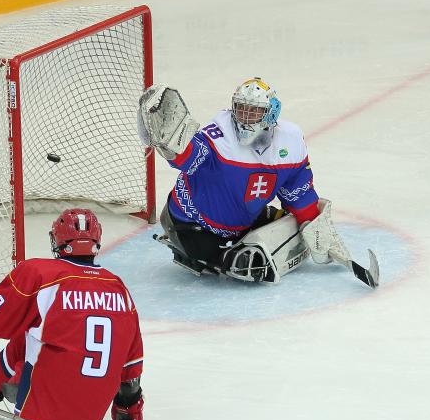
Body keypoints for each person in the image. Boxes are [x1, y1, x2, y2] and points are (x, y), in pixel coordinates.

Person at [0, 208, 144, 420]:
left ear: (57, 240)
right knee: (44, 330)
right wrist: (127, 410)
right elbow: (131, 364)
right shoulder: (119, 288)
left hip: (43, 403)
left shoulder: (39, 273)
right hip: (92, 414)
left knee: (29, 334)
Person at [138, 77, 351, 283]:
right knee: (248, 266)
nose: (246, 117)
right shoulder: (219, 134)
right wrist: (171, 147)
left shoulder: (291, 142)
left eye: (254, 111)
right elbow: (189, 156)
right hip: (192, 225)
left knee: (290, 228)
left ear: (271, 113)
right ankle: (213, 255)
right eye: (241, 109)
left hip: (242, 222)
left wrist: (315, 228)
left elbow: (298, 193)